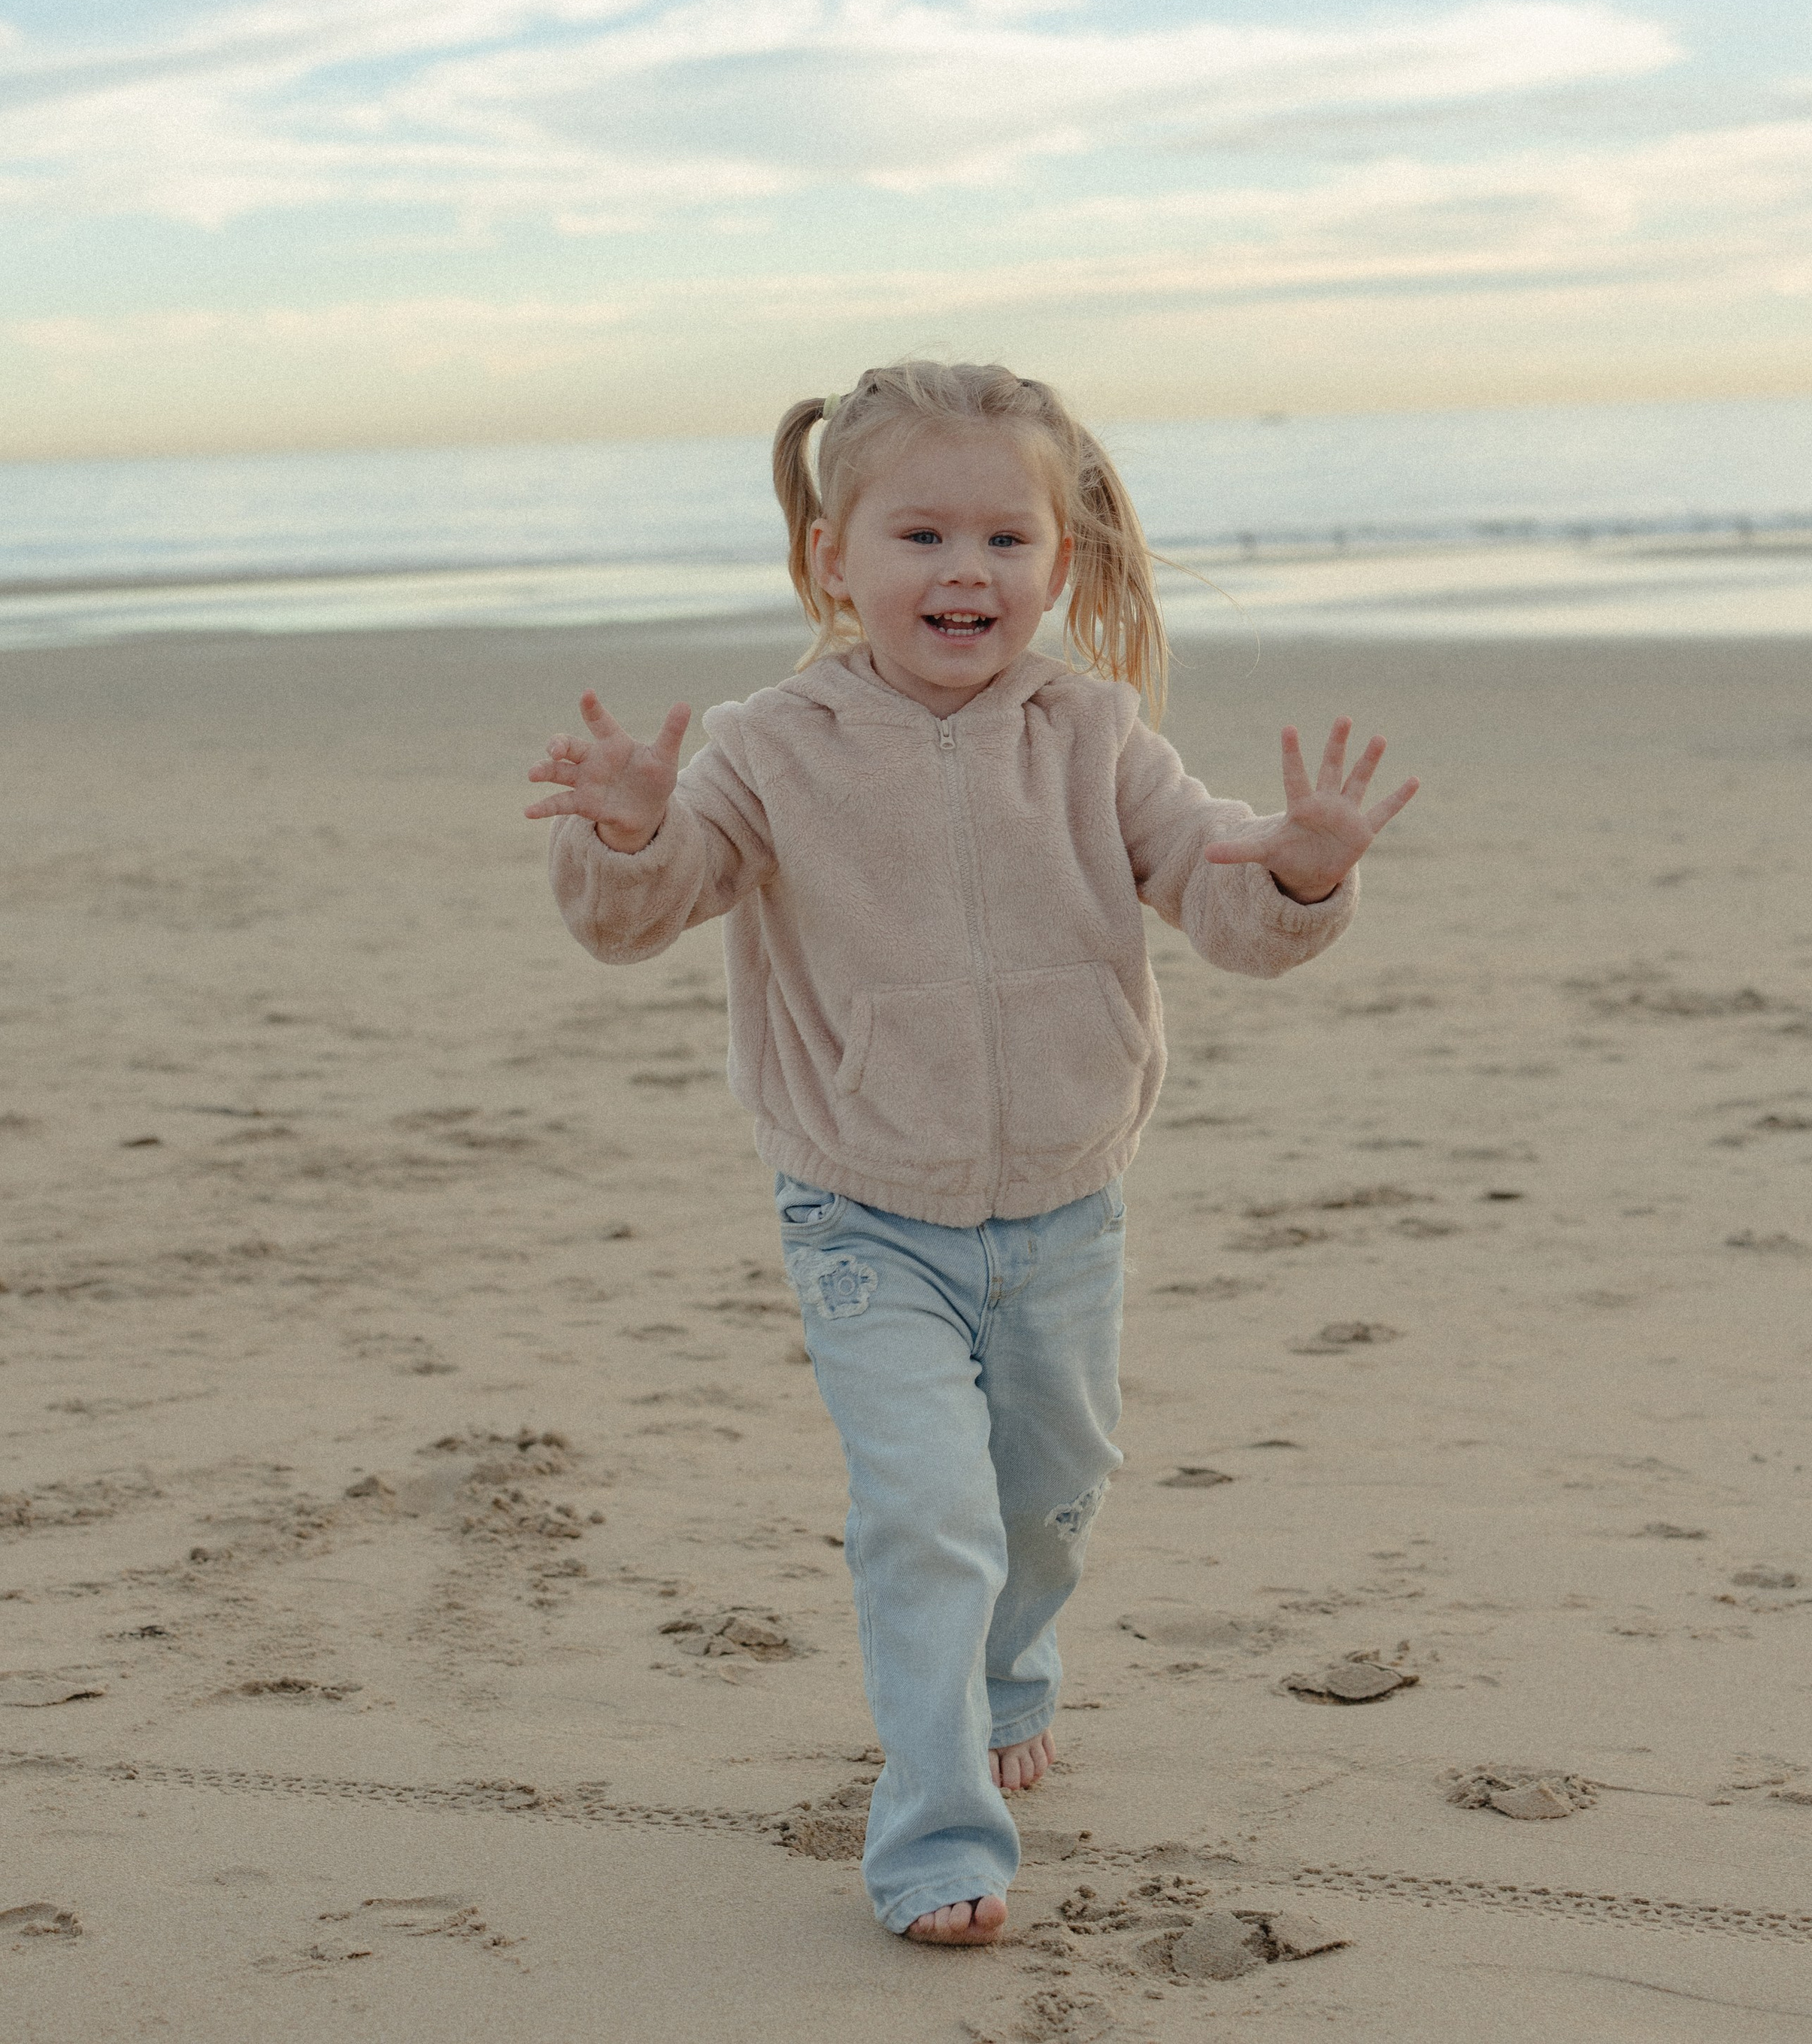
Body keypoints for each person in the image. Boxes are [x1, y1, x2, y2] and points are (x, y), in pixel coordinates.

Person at [525, 361, 1416, 1947]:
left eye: (1006, 539)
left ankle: (1011, 1671)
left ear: (1059, 561)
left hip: (1068, 1208)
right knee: (928, 1512)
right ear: (832, 559)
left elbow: (1217, 902)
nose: (966, 571)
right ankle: (936, 1835)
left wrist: (1301, 873)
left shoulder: (1097, 736)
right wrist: (631, 832)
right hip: (863, 1209)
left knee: (1049, 1497)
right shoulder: (766, 745)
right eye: (921, 534)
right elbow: (639, 916)